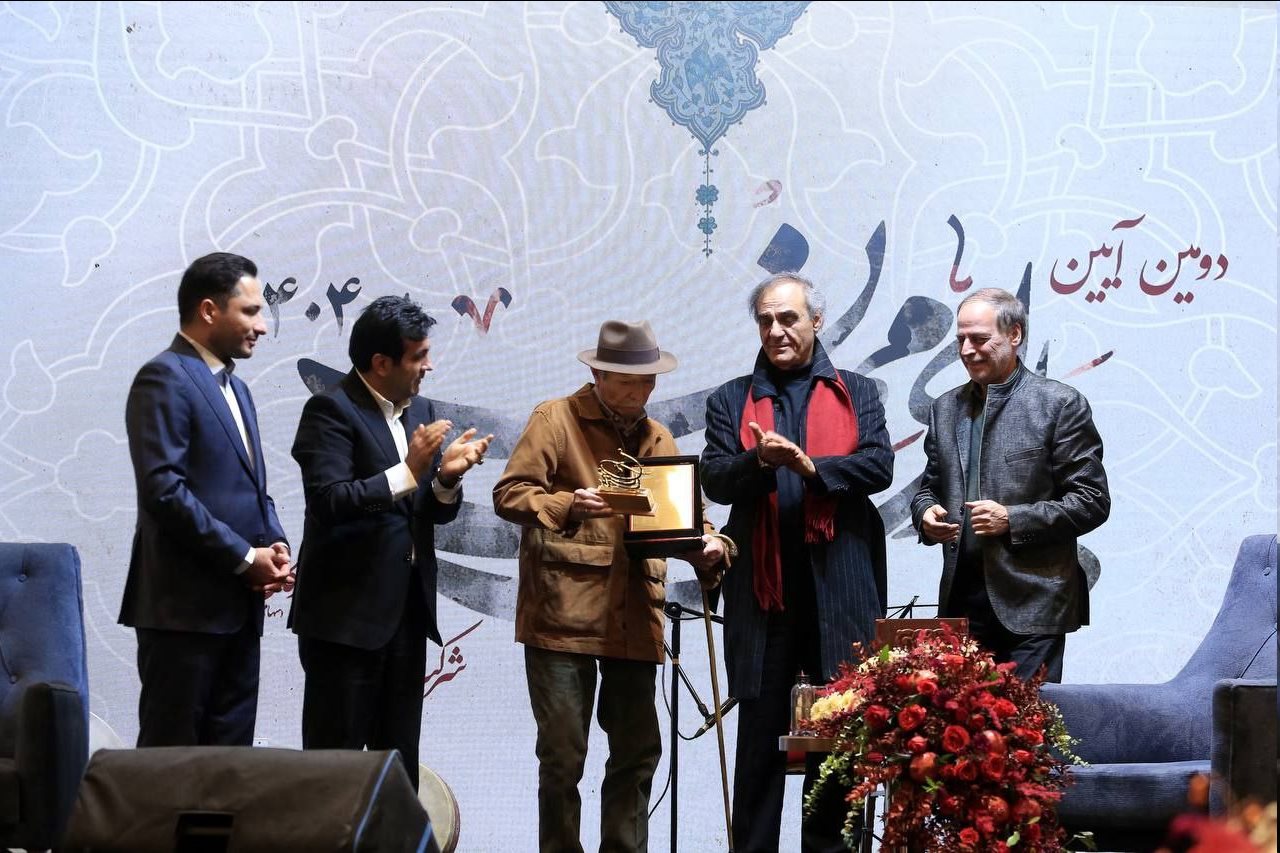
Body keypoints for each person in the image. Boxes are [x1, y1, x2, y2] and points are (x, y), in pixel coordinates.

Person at [493, 319, 727, 853]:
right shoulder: (555, 420)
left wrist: (712, 545)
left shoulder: (658, 437)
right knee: (562, 756)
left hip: (635, 617)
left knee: (638, 753)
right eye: (628, 380)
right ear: (598, 374)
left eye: (648, 381)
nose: (640, 391)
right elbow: (509, 493)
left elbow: (690, 519)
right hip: (562, 618)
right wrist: (566, 504)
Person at [700, 272, 894, 853]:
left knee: (837, 742)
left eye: (788, 318)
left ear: (816, 321)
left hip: (842, 590)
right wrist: (759, 462)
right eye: (766, 320)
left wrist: (812, 468)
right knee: (759, 745)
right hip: (765, 597)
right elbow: (714, 477)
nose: (776, 330)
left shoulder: (857, 391)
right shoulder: (731, 398)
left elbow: (879, 465)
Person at [289, 294, 491, 788]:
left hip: (406, 615)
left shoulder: (420, 410)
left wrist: (446, 478)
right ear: (382, 363)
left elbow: (428, 513)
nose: (429, 366)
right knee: (333, 776)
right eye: (419, 356)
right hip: (344, 622)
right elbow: (329, 501)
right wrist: (408, 471)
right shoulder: (329, 410)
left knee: (398, 771)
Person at [120, 251, 293, 747]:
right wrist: (246, 558)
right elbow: (164, 491)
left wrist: (274, 544)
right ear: (209, 310)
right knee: (170, 765)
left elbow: (251, 488)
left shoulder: (238, 389)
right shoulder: (164, 377)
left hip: (238, 610)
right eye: (251, 311)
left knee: (229, 769)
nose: (262, 326)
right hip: (183, 613)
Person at [910, 287, 1110, 683]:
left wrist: (1012, 519)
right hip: (960, 606)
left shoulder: (1059, 404)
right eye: (961, 339)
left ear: (1014, 334)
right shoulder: (944, 408)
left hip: (1034, 604)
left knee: (1024, 722)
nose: (967, 350)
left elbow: (1092, 501)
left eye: (979, 338)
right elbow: (928, 488)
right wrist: (925, 514)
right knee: (959, 722)